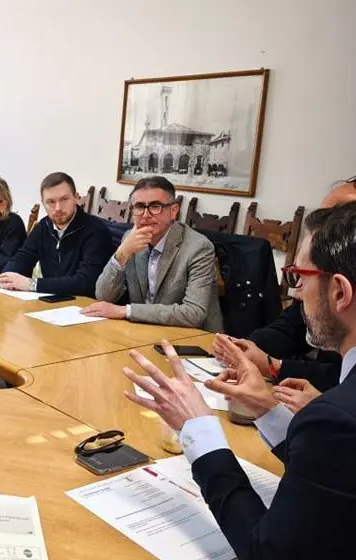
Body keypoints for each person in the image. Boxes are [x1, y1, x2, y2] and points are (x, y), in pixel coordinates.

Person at [122, 202, 356, 559]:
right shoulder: (335, 424)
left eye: (299, 277)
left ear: (340, 292)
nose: (294, 293)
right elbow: (334, 475)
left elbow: (265, 551)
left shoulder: (337, 419)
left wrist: (200, 429)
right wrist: (267, 408)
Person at [213, 178, 356, 395]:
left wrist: (275, 365)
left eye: (336, 218)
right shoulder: (320, 279)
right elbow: (290, 327)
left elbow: (343, 380)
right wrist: (245, 348)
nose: (297, 293)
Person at [86, 175, 223, 331]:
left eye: (155, 206)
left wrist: (126, 311)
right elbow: (104, 297)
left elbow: (194, 313)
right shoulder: (131, 239)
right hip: (146, 331)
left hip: (192, 340)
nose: (146, 215)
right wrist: (122, 254)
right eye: (139, 206)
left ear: (173, 211)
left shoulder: (199, 248)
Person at [0, 172, 112, 296]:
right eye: (51, 202)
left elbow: (86, 283)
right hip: (51, 303)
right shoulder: (44, 226)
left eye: (64, 199)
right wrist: (8, 276)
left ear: (76, 198)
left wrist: (33, 284)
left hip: (83, 306)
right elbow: (22, 257)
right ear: (43, 203)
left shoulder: (96, 231)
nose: (58, 208)